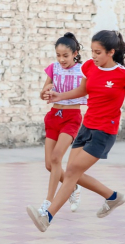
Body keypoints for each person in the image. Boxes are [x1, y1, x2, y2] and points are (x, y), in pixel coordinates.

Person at [27, 30, 125, 232]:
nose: (94, 56)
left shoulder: (123, 74)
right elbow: (83, 91)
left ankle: (46, 216)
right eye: (92, 51)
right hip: (86, 127)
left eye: (98, 52)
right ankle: (113, 197)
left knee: (71, 172)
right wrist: (58, 96)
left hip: (104, 132)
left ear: (111, 52)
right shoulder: (89, 67)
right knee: (74, 175)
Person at [37, 32, 87, 218]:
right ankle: (72, 187)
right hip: (53, 116)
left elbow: (86, 90)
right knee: (50, 165)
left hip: (71, 117)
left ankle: (47, 204)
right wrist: (45, 92)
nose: (61, 59)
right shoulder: (53, 68)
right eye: (58, 55)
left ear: (75, 53)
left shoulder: (83, 70)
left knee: (57, 158)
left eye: (65, 55)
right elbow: (43, 93)